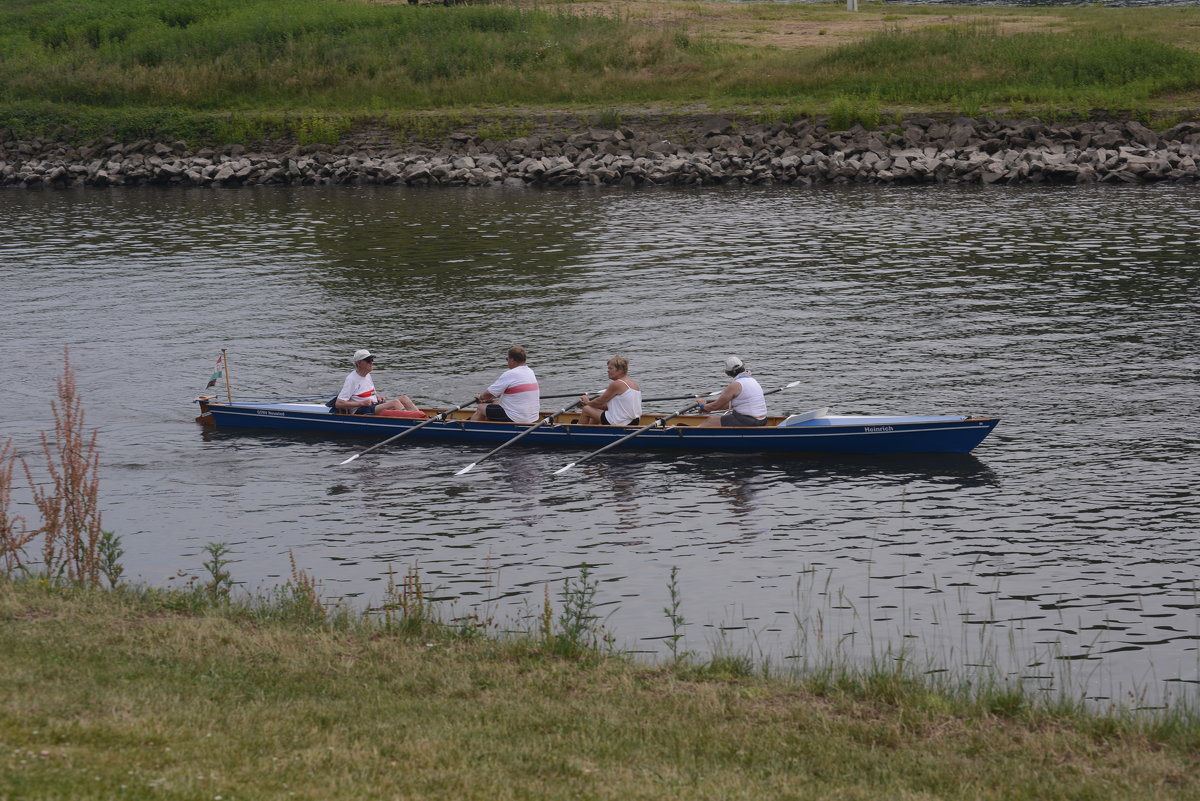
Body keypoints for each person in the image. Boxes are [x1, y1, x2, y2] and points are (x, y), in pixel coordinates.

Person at [334, 349, 421, 415]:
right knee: (395, 403)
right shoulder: (351, 379)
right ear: (359, 363)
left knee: (404, 399)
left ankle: (423, 418)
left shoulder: (367, 375)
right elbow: (339, 403)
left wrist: (378, 397)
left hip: (374, 405)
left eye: (372, 360)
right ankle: (412, 421)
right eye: (368, 361)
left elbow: (371, 393)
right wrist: (362, 403)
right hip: (361, 410)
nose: (372, 363)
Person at [469, 346, 540, 424]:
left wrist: (481, 398)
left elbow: (488, 394)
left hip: (516, 417)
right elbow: (509, 392)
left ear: (512, 360)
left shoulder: (510, 374)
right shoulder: (530, 371)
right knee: (495, 403)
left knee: (480, 407)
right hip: (532, 417)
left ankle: (469, 429)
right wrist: (490, 399)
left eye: (507, 359)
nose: (507, 362)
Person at [695, 356, 768, 428]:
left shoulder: (735, 385)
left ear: (728, 373)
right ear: (743, 367)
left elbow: (716, 405)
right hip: (762, 420)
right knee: (723, 418)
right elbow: (727, 405)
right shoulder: (753, 380)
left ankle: (690, 434)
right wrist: (707, 408)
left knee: (711, 420)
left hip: (749, 421)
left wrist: (702, 405)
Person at [578, 355, 642, 426]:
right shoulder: (633, 384)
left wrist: (587, 402)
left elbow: (600, 401)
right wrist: (592, 404)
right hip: (634, 421)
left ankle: (575, 433)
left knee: (586, 409)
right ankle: (593, 431)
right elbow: (606, 406)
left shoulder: (617, 384)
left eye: (610, 368)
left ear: (620, 370)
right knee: (595, 409)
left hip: (620, 422)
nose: (608, 371)